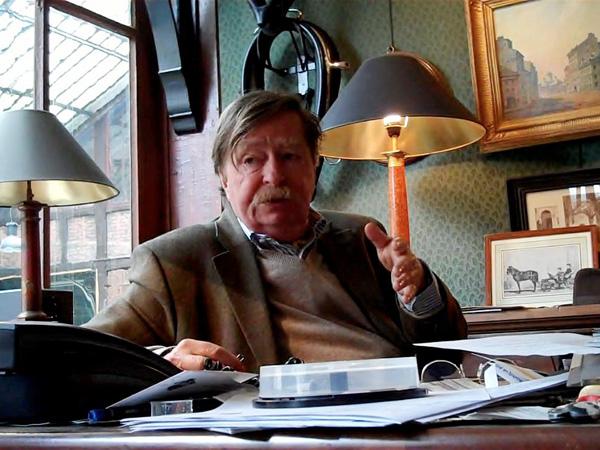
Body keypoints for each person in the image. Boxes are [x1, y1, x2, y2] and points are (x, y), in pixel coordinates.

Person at [85, 90, 467, 373]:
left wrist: (419, 291)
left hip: (406, 409)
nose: (274, 175)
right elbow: (85, 353)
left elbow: (447, 345)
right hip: (289, 434)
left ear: (314, 165)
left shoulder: (361, 235)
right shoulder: (175, 262)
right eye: (251, 160)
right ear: (223, 177)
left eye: (289, 156)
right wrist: (165, 360)